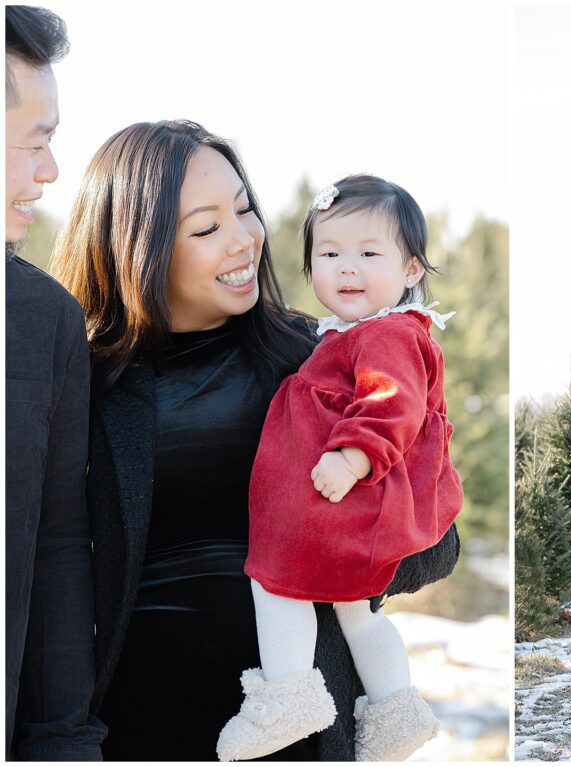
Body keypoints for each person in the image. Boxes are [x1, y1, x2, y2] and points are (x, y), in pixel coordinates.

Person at [50, 121, 459, 760]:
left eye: (245, 210)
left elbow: (437, 540)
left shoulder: (319, 358)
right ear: (139, 247)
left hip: (300, 729)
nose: (244, 240)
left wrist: (337, 541)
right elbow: (47, 572)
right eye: (208, 228)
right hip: (138, 719)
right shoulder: (82, 379)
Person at [218, 175, 463, 762]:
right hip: (352, 500)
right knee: (358, 611)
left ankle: (288, 695)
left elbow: (391, 402)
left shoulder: (387, 334)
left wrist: (353, 456)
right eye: (329, 254)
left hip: (347, 494)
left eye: (368, 253)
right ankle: (395, 707)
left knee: (277, 581)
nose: (346, 268)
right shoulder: (346, 335)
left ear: (411, 270)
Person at [5, 5, 106, 759]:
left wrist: (64, 745)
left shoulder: (46, 321)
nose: (50, 170)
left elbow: (57, 550)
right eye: (36, 141)